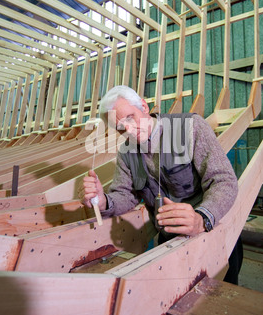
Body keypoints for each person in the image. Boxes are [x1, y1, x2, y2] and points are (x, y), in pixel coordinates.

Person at [79, 85, 243, 284]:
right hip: (169, 239)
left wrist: (201, 218)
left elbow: (223, 180)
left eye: (131, 117)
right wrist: (103, 200)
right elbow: (124, 194)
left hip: (211, 230)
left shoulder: (190, 127)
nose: (129, 130)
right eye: (120, 127)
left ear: (144, 106)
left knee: (221, 297)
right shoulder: (126, 152)